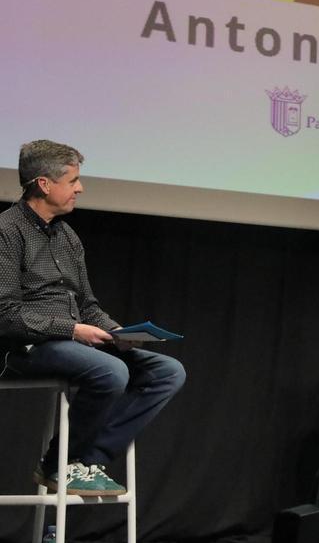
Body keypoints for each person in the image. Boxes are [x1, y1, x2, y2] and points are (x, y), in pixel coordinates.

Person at [0, 140, 186, 496]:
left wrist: (115, 330)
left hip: (70, 341)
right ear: (44, 184)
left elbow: (87, 304)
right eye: (72, 181)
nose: (80, 188)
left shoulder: (68, 237)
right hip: (22, 346)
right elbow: (5, 314)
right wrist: (72, 330)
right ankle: (57, 466)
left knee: (168, 372)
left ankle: (87, 462)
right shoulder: (7, 232)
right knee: (111, 371)